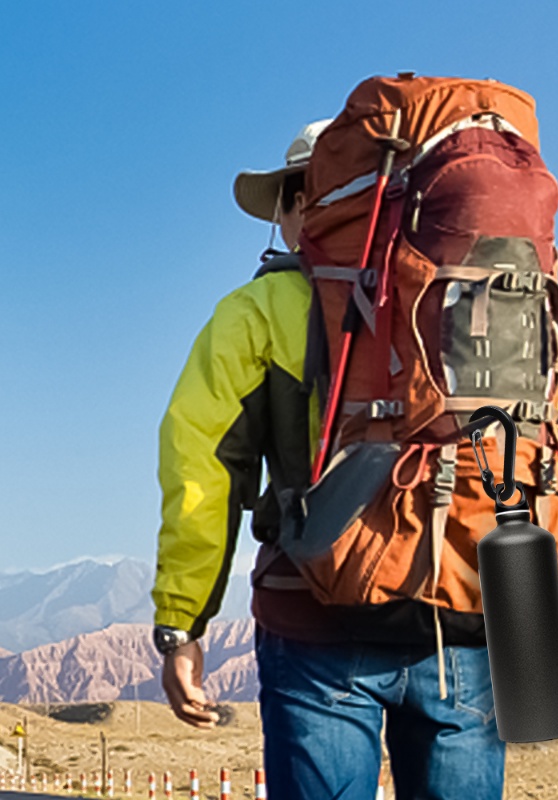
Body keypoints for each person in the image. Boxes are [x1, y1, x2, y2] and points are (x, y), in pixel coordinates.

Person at [151, 119, 507, 800]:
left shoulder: (256, 311)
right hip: (464, 616)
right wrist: (540, 607)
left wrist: (182, 624)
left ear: (294, 210)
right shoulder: (469, 299)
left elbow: (203, 468)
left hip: (315, 619)